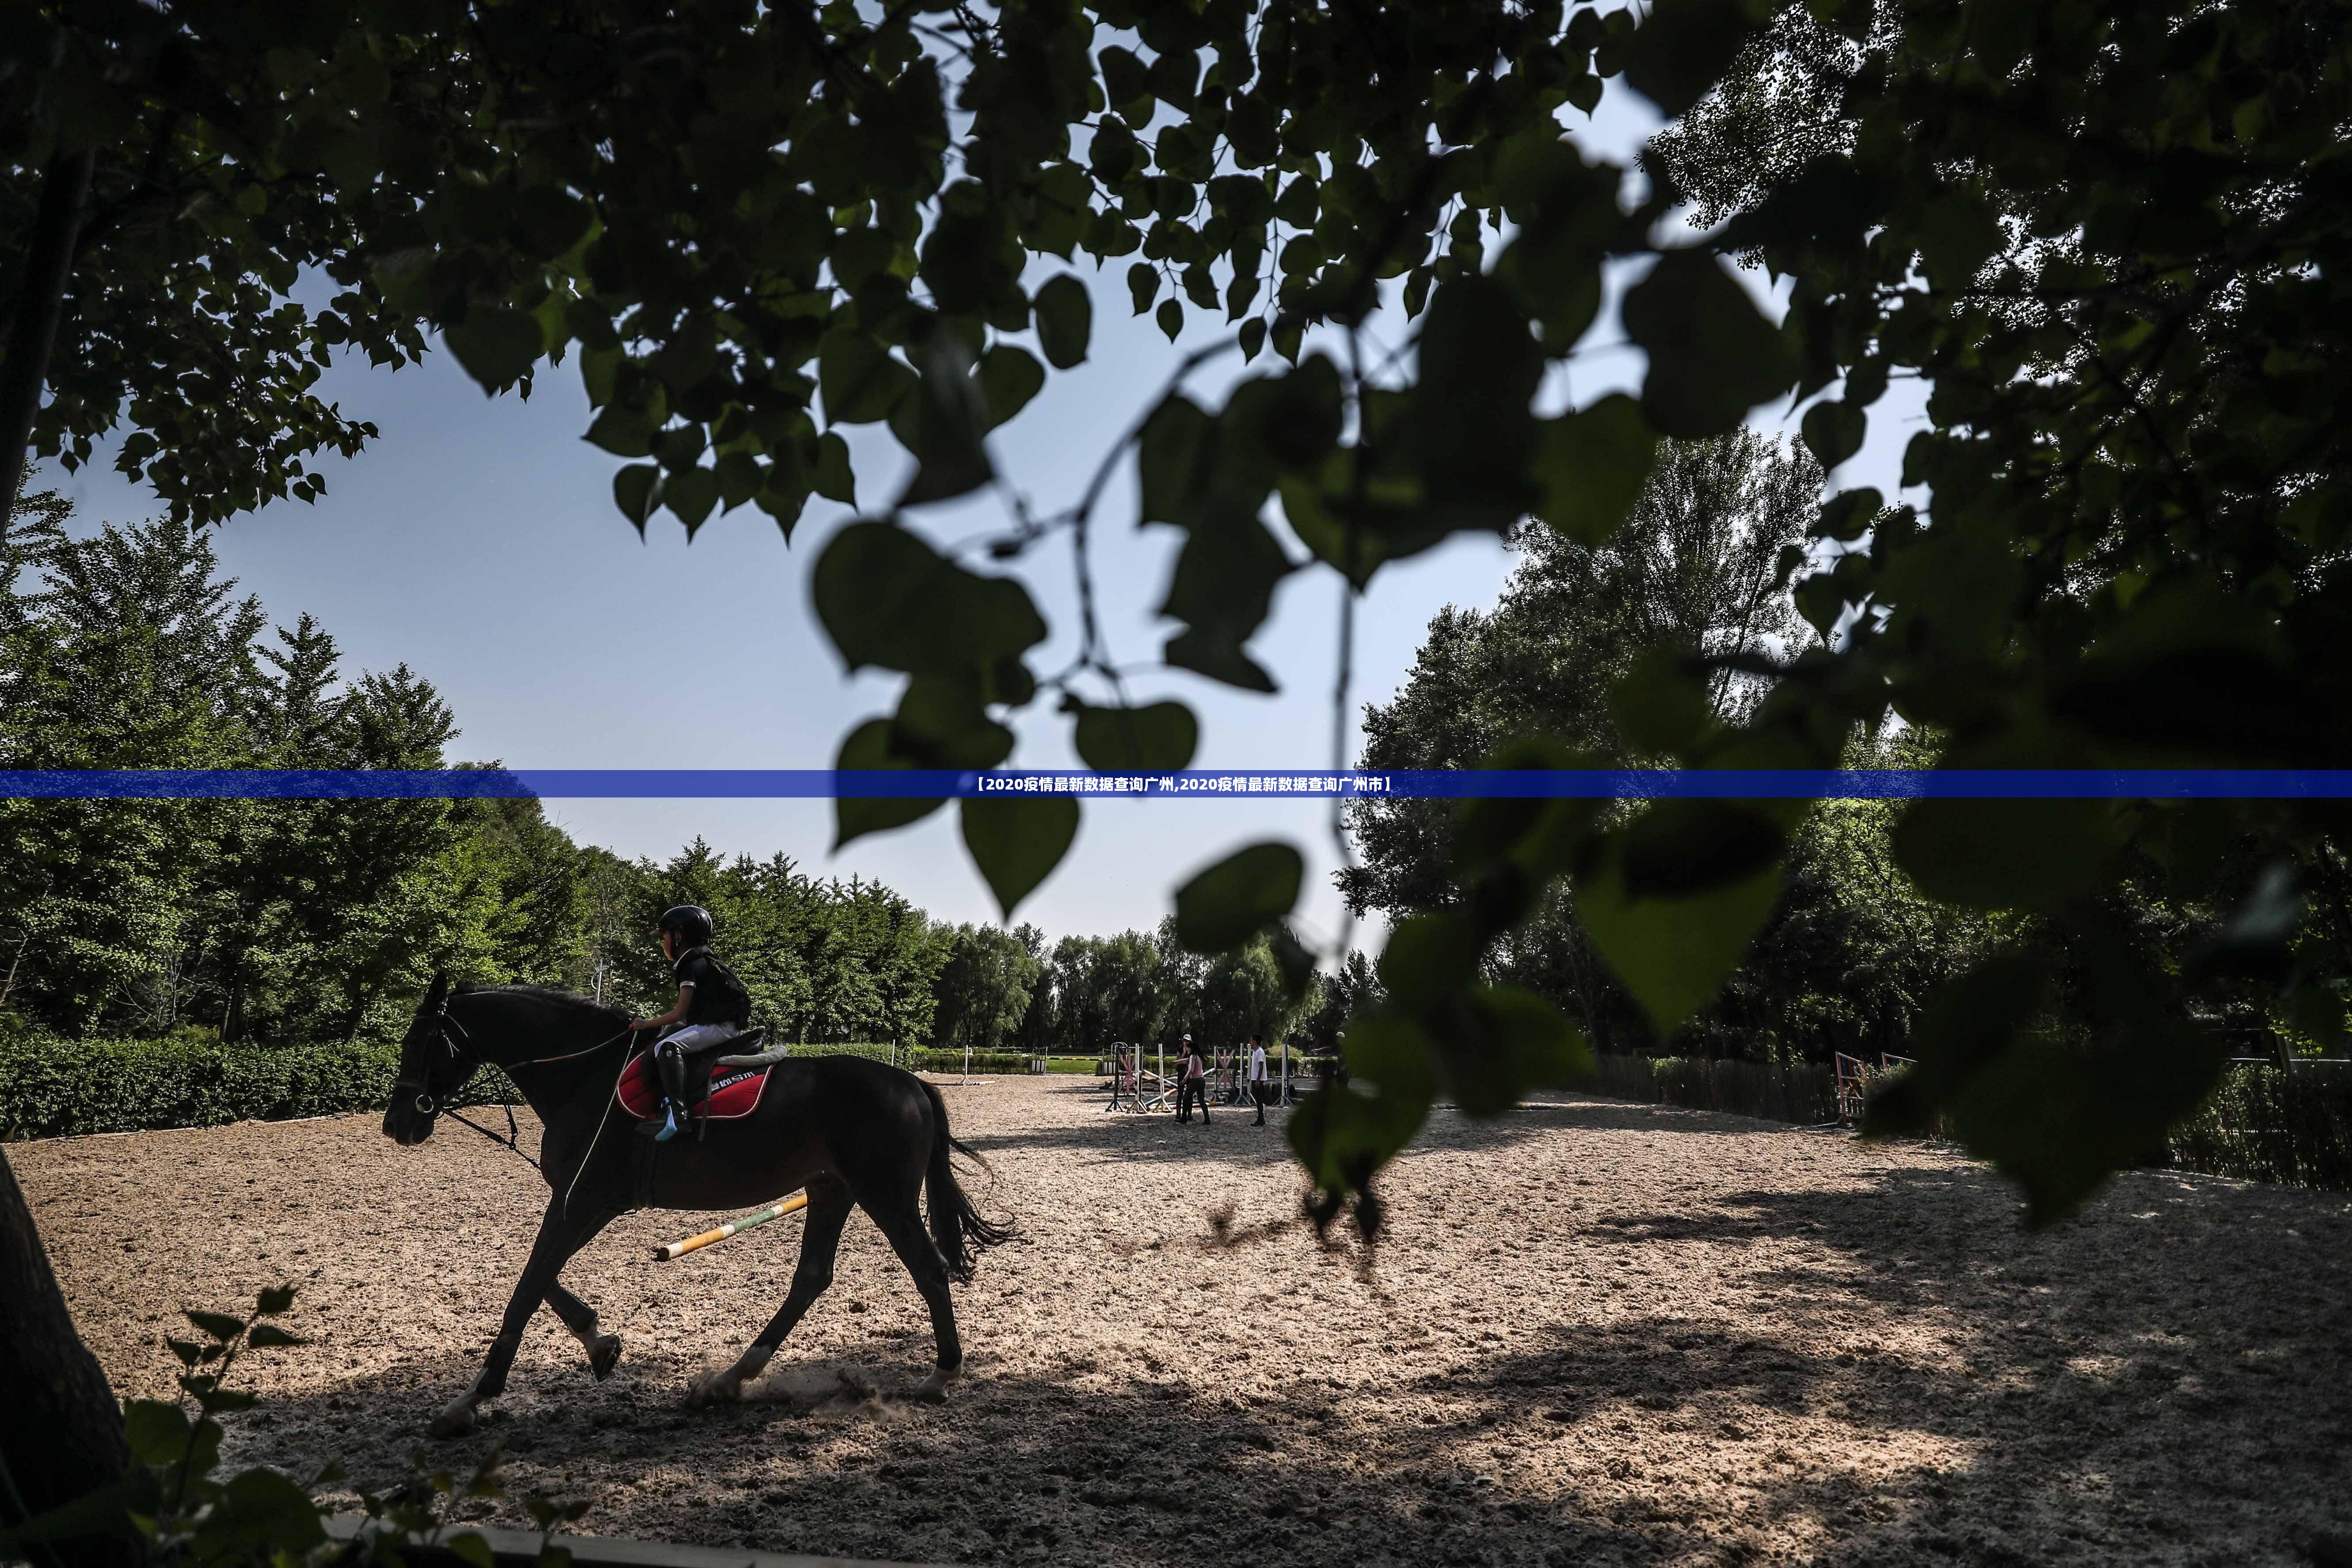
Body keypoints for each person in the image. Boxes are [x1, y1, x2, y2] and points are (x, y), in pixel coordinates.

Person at [628, 904, 753, 1142]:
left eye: (665, 936)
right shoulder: (704, 960)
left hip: (721, 1026)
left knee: (666, 1047)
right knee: (670, 1035)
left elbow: (680, 1014)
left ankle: (678, 1113)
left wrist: (646, 1024)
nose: (663, 941)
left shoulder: (690, 965)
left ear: (678, 936)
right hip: (724, 1021)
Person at [1176, 1034, 1210, 1124]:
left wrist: (1184, 1079)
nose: (1187, 1049)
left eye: (1188, 1048)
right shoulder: (1198, 1056)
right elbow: (1187, 1060)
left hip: (1195, 1080)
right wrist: (1178, 1062)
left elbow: (1191, 1070)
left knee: (1185, 1098)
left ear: (1191, 1048)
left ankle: (1184, 1118)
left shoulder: (1192, 1057)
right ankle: (1207, 1119)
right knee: (1202, 1101)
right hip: (1202, 1080)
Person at [1248, 1033, 1270, 1126]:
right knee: (1258, 1099)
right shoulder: (1255, 1052)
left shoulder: (1260, 1052)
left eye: (1251, 1040)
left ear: (1255, 1041)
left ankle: (1261, 1119)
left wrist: (1258, 1080)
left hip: (1258, 1079)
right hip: (1254, 1078)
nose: (1250, 1042)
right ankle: (1261, 1118)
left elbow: (1261, 1066)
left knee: (1259, 1099)